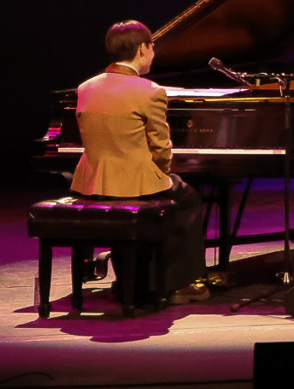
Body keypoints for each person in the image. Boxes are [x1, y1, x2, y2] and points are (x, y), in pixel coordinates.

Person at [71, 21, 207, 305]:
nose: (153, 53)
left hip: (92, 181)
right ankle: (176, 285)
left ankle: (129, 281)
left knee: (158, 201)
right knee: (189, 199)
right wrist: (164, 172)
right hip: (135, 183)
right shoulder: (150, 91)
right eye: (152, 47)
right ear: (143, 48)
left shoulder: (85, 87)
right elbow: (161, 149)